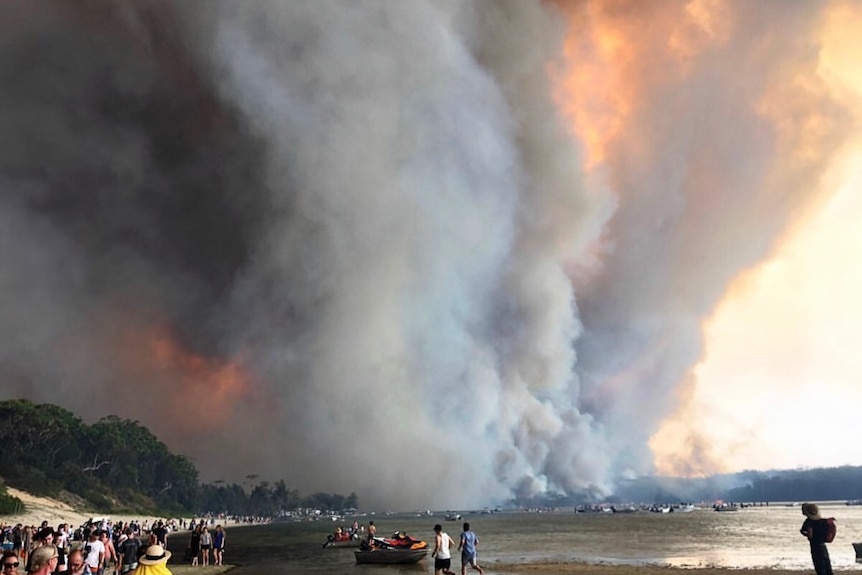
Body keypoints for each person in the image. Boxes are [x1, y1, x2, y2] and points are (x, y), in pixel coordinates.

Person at [800, 503, 833, 575]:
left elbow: (810, 535)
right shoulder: (822, 521)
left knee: (820, 568)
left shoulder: (809, 522)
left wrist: (803, 533)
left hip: (815, 547)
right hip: (823, 546)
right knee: (827, 567)